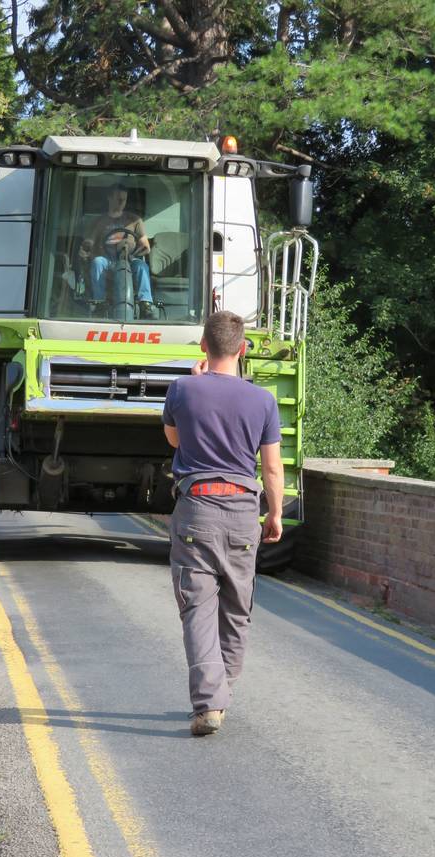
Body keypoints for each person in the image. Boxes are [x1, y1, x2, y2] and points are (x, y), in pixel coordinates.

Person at [162, 310, 284, 737]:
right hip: (242, 512)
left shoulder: (181, 389)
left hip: (196, 507)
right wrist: (276, 513)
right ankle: (219, 695)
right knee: (236, 610)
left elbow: (175, 439)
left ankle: (210, 701)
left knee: (197, 607)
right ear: (243, 349)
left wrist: (193, 384)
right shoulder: (263, 400)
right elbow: (271, 468)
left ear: (203, 347)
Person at [79, 181, 155, 319]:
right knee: (97, 262)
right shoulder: (98, 221)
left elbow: (146, 247)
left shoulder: (134, 220)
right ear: (109, 198)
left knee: (142, 266)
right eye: (118, 199)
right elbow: (89, 243)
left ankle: (146, 304)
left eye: (124, 199)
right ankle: (99, 303)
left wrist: (134, 255)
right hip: (107, 260)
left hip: (129, 260)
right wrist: (85, 249)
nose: (121, 202)